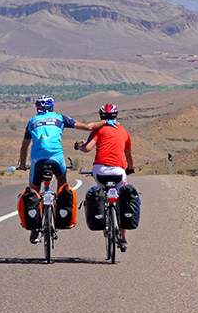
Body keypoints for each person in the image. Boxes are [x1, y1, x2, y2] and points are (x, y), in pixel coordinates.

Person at [18, 95, 99, 243]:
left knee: (34, 191)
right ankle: (62, 212)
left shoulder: (32, 122)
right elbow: (87, 127)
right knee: (62, 181)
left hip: (37, 161)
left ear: (37, 109)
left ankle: (34, 229)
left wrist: (23, 165)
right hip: (57, 159)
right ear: (53, 107)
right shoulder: (59, 118)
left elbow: (24, 147)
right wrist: (106, 121)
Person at [75, 103, 134, 251]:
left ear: (101, 116)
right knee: (122, 198)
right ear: (116, 116)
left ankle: (104, 213)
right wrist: (130, 168)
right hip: (119, 172)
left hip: (100, 171)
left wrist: (79, 146)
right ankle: (123, 237)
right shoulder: (123, 131)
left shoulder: (99, 130)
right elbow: (129, 155)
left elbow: (88, 148)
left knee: (101, 192)